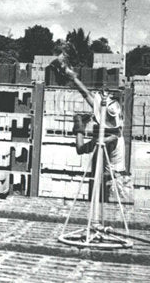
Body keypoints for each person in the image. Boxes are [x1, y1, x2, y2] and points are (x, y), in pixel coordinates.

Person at [54, 56, 132, 202]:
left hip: (116, 183)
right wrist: (73, 78)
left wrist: (79, 129)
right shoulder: (115, 128)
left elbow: (81, 149)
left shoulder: (110, 138)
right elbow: (87, 95)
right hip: (114, 179)